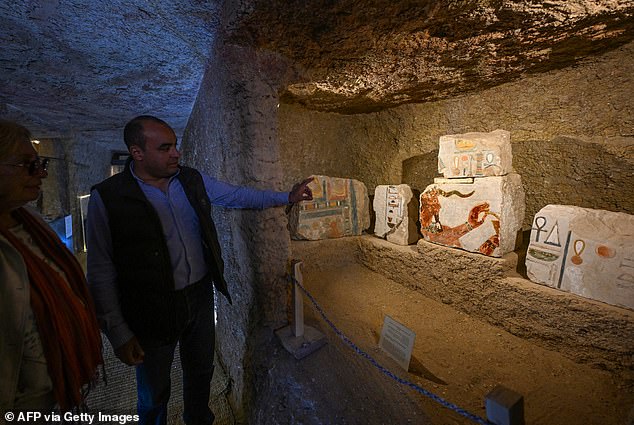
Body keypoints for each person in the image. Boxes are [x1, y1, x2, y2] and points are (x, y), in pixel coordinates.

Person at [86, 115, 312, 425]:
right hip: (150, 307)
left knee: (201, 373)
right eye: (165, 148)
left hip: (200, 298)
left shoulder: (190, 180)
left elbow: (236, 195)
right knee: (154, 392)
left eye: (175, 146)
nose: (176, 154)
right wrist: (119, 332)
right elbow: (100, 270)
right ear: (137, 152)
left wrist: (286, 197)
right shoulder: (108, 197)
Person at [0, 120, 103, 412]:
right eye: (27, 164)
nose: (42, 174)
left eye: (40, 163)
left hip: (48, 392)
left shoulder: (28, 223)